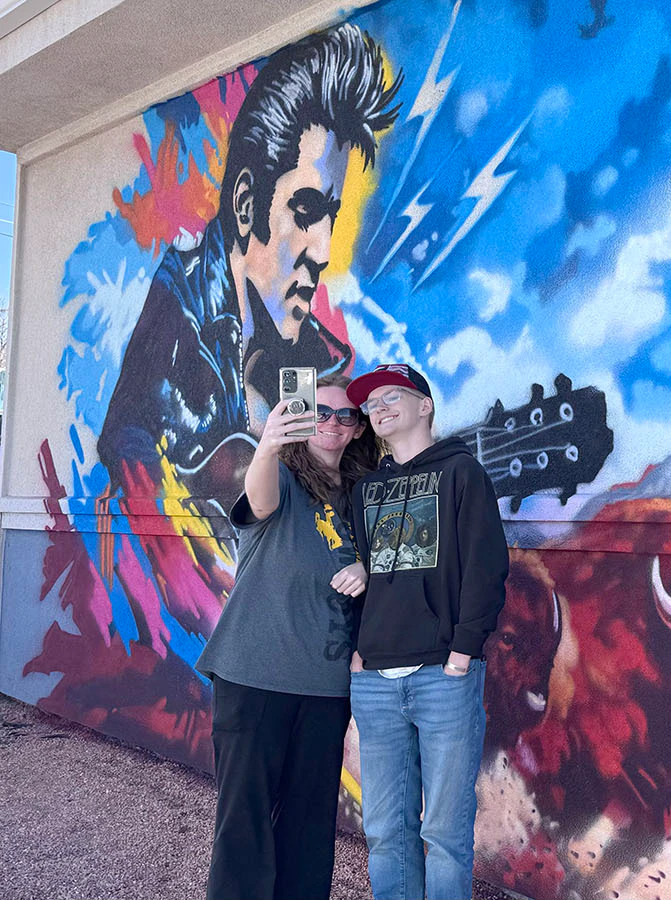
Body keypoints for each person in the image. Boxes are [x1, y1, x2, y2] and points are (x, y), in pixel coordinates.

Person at [98, 23, 400, 492]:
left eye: (330, 219)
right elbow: (132, 480)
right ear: (244, 207)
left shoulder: (305, 356)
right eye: (305, 211)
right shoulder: (180, 312)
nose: (321, 252)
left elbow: (306, 484)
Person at [196, 374, 380, 900]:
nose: (332, 423)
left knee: (308, 830)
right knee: (245, 826)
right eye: (319, 411)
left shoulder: (365, 500)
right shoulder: (281, 477)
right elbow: (260, 498)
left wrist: (369, 567)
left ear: (357, 428)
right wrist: (269, 443)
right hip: (255, 677)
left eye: (345, 416)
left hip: (326, 689)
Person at [346, 363, 510, 900]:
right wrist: (357, 653)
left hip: (443, 674)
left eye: (395, 395)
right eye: (372, 404)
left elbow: (486, 567)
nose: (381, 407)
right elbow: (367, 572)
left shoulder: (462, 474)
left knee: (444, 834)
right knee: (386, 831)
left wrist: (462, 653)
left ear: (425, 406)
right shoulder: (365, 491)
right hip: (374, 680)